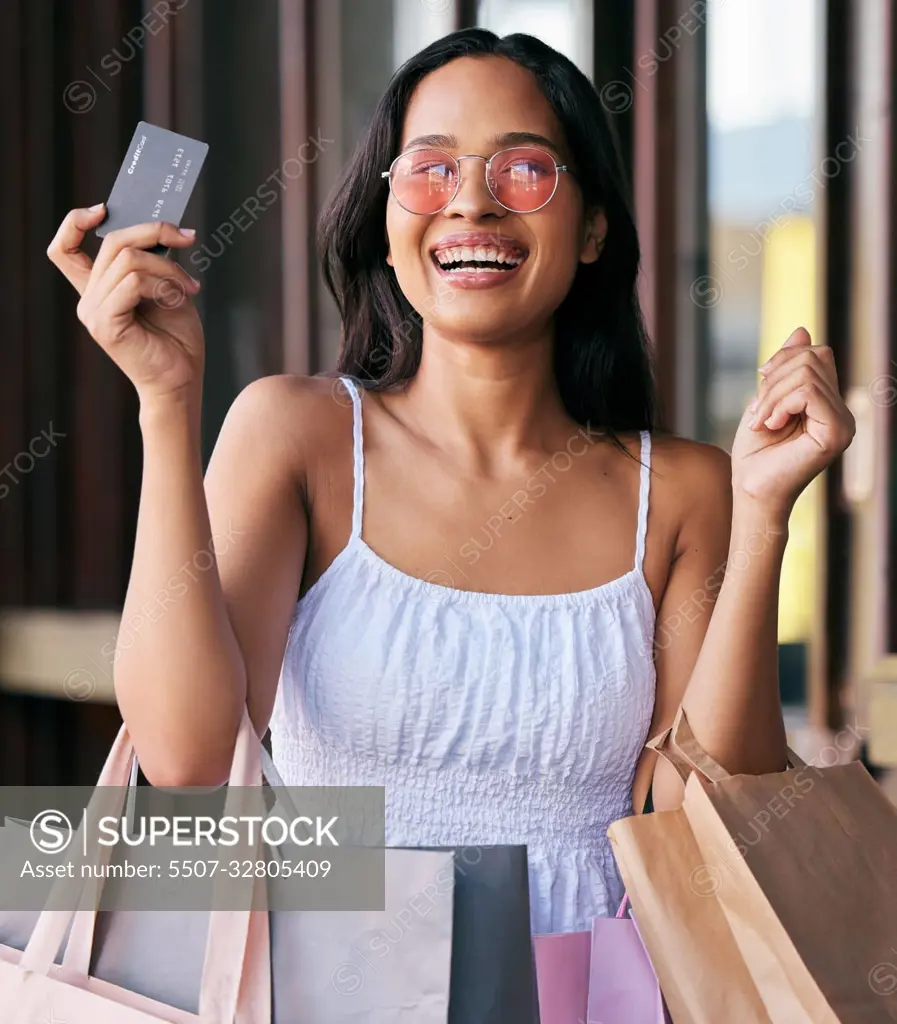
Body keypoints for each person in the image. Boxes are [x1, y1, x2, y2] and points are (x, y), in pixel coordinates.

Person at [47, 29, 855, 934]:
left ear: (591, 228)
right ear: (387, 228)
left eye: (524, 171)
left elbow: (701, 821)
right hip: (334, 987)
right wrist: (166, 401)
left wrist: (760, 518)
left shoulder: (683, 490)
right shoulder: (296, 434)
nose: (471, 202)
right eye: (429, 171)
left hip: (590, 992)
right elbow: (188, 759)